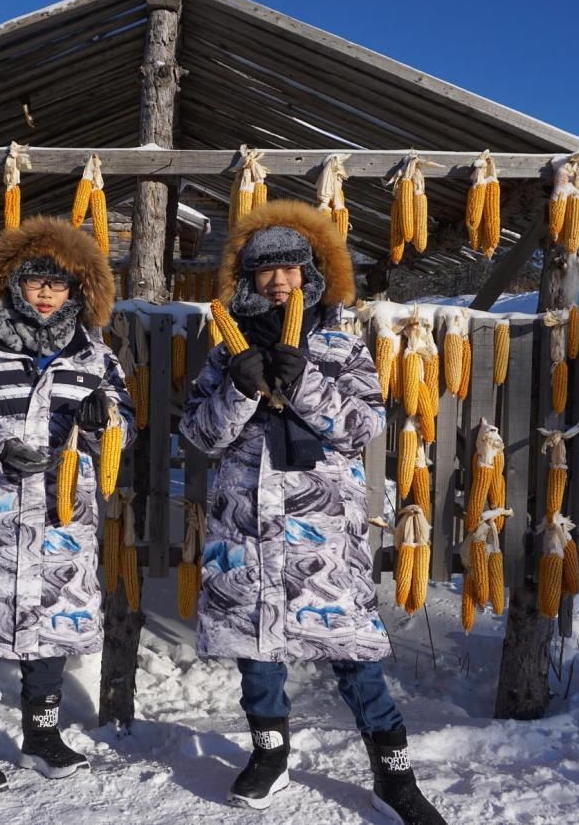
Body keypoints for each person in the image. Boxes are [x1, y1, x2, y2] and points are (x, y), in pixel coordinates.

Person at [179, 200, 447, 824]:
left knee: (352, 652)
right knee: (258, 651)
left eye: (290, 270)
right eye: (265, 272)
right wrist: (241, 387)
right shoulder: (226, 349)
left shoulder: (340, 344)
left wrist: (304, 383)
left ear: (310, 275)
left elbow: (362, 426)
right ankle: (269, 755)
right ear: (246, 280)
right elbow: (200, 434)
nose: (279, 282)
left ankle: (393, 774)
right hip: (245, 525)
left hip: (321, 531)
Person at [0, 217, 135, 802]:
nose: (46, 293)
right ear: (14, 287)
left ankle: (40, 737)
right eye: (35, 282)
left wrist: (106, 425)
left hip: (63, 520)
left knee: (52, 629)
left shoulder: (96, 360)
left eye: (58, 284)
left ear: (77, 292)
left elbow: (124, 427)